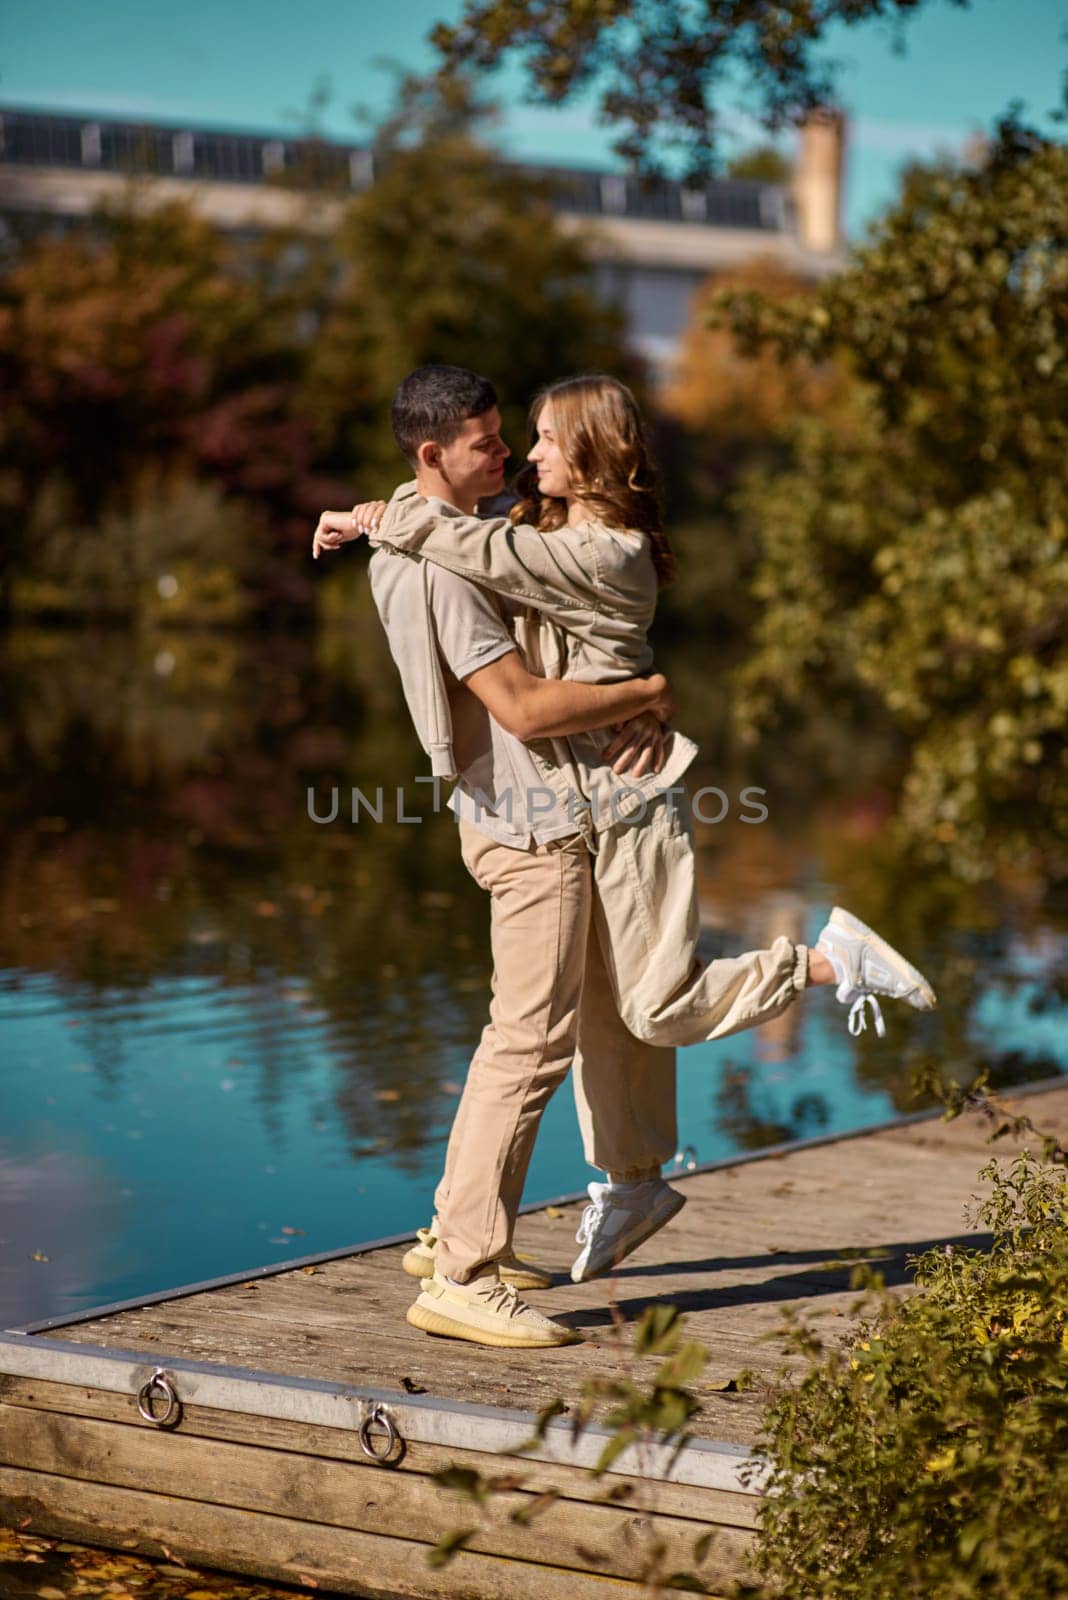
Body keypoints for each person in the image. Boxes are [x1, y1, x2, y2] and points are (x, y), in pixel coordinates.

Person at [315, 368, 938, 1346]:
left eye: (526, 438)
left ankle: (477, 1231)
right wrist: (645, 692)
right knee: (531, 1041)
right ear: (434, 455)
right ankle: (465, 1268)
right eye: (491, 443)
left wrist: (366, 514)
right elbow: (520, 704)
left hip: (553, 809)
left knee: (599, 1008)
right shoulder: (450, 561)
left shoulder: (500, 541)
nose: (515, 456)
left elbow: (499, 557)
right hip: (534, 822)